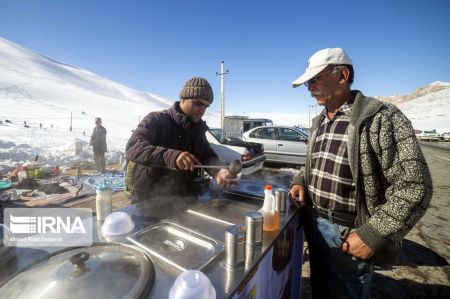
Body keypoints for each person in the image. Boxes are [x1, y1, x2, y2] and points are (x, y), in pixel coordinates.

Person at [288, 48, 432, 298]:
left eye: (314, 79)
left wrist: (373, 233)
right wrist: (301, 180)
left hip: (349, 233)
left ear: (342, 75)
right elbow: (312, 165)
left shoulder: (381, 118)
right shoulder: (319, 121)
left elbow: (415, 185)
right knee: (321, 289)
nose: (309, 87)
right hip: (315, 224)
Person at [125, 76, 234, 203]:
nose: (202, 110)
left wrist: (218, 170)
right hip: (149, 201)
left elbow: (206, 154)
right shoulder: (156, 119)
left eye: (206, 106)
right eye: (197, 103)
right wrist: (172, 157)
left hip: (184, 200)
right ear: (183, 99)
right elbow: (133, 147)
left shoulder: (197, 129)